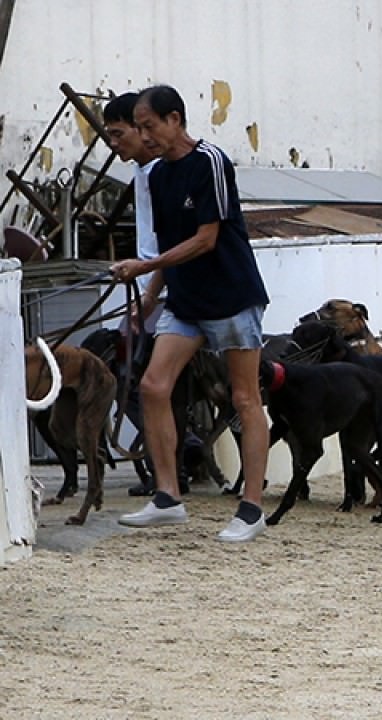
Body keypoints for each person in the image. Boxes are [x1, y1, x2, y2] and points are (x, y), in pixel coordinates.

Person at [109, 84, 272, 542]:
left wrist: (145, 268)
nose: (144, 136)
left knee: (244, 399)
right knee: (153, 385)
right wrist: (148, 295)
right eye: (138, 128)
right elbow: (166, 243)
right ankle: (167, 496)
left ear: (175, 119)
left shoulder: (211, 162)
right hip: (184, 300)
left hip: (231, 296)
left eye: (149, 126)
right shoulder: (156, 175)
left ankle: (252, 507)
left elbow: (206, 238)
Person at [103, 91, 165, 497]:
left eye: (117, 133)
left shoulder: (162, 172)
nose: (113, 143)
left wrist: (148, 293)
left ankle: (171, 462)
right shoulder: (143, 174)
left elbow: (169, 241)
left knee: (141, 378)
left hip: (164, 290)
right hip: (151, 285)